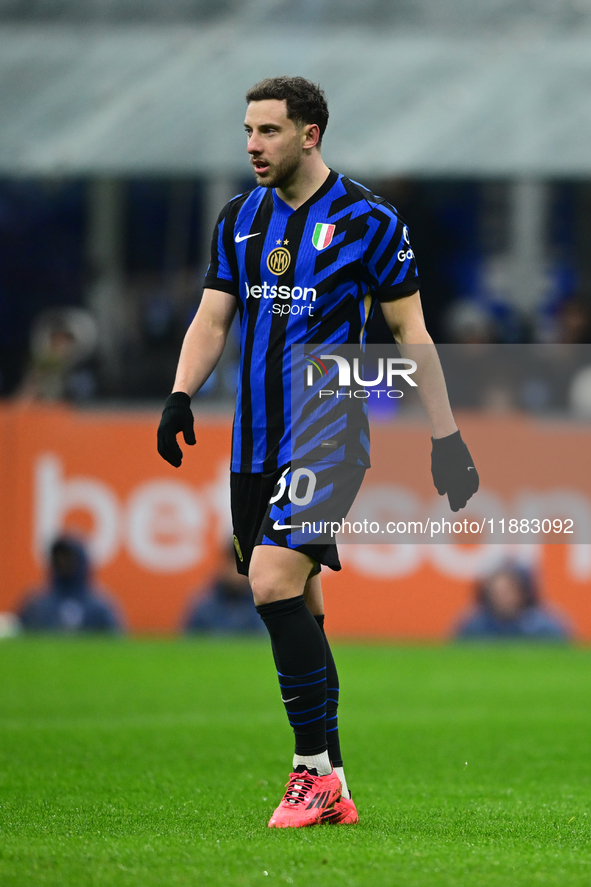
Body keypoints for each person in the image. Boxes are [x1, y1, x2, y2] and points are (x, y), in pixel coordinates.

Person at [157, 76, 478, 828]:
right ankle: (332, 779)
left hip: (329, 431)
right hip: (252, 440)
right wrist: (178, 393)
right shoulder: (238, 219)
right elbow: (212, 319)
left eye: (267, 131)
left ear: (309, 134)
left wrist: (445, 435)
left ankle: (310, 775)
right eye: (246, 129)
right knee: (298, 601)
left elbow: (411, 333)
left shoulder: (368, 220)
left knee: (270, 581)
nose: (251, 145)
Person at [18, 535, 123, 633]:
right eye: (58, 558)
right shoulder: (37, 605)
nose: (62, 562)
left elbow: (116, 645)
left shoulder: (99, 608)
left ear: (81, 561)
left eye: (67, 557)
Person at [454, 564, 571, 641]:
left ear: (523, 593)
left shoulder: (543, 627)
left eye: (508, 591)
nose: (502, 598)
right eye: (496, 592)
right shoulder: (474, 627)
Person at [182, 544, 266, 635]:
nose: (236, 571)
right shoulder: (204, 603)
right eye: (232, 563)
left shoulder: (263, 603)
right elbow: (189, 642)